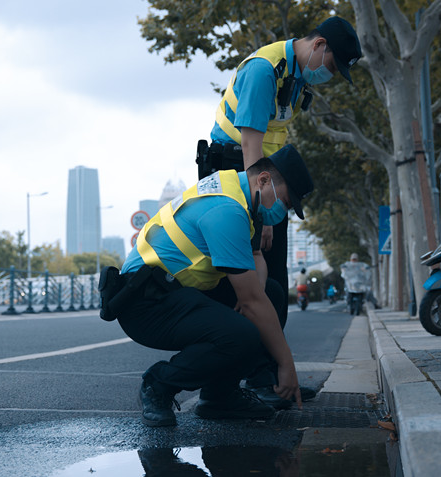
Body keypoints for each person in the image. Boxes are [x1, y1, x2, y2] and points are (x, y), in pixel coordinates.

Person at [100, 145, 314, 427]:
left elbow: (256, 260)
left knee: (269, 294)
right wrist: (286, 364)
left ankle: (219, 396)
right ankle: (158, 384)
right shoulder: (227, 209)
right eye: (285, 202)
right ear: (263, 180)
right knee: (243, 332)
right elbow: (251, 302)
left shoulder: (237, 191)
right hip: (145, 304)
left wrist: (255, 295)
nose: (282, 212)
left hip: (174, 290)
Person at [197, 16, 362, 306]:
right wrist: (261, 210)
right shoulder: (264, 70)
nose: (331, 74)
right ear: (319, 44)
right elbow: (250, 143)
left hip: (263, 174)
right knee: (237, 272)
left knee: (272, 270)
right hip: (239, 173)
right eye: (332, 65)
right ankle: (237, 329)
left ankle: (265, 331)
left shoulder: (296, 77)